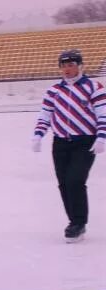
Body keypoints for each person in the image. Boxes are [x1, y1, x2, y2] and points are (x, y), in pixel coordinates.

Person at [31, 49, 106, 242]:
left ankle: (79, 222)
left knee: (75, 180)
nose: (67, 69)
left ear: (80, 66)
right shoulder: (54, 91)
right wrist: (38, 135)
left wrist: (102, 137)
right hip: (61, 143)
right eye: (63, 66)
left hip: (85, 142)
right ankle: (73, 221)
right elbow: (45, 115)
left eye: (71, 65)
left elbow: (103, 114)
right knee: (64, 183)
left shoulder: (94, 87)